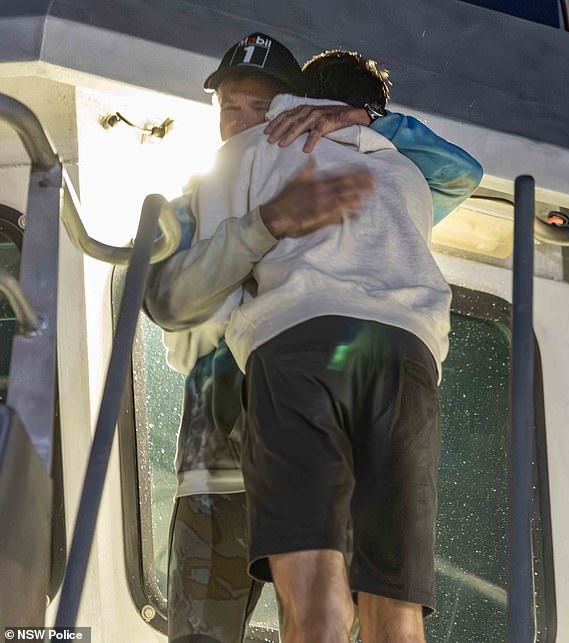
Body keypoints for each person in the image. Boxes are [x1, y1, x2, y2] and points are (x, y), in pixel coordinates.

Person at [147, 35, 482, 643]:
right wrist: (262, 227)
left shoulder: (310, 160)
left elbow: (462, 172)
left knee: (325, 613)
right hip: (218, 468)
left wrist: (360, 120)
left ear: (297, 108)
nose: (246, 122)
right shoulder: (195, 201)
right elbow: (168, 301)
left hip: (311, 431)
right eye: (231, 108)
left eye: (264, 107)